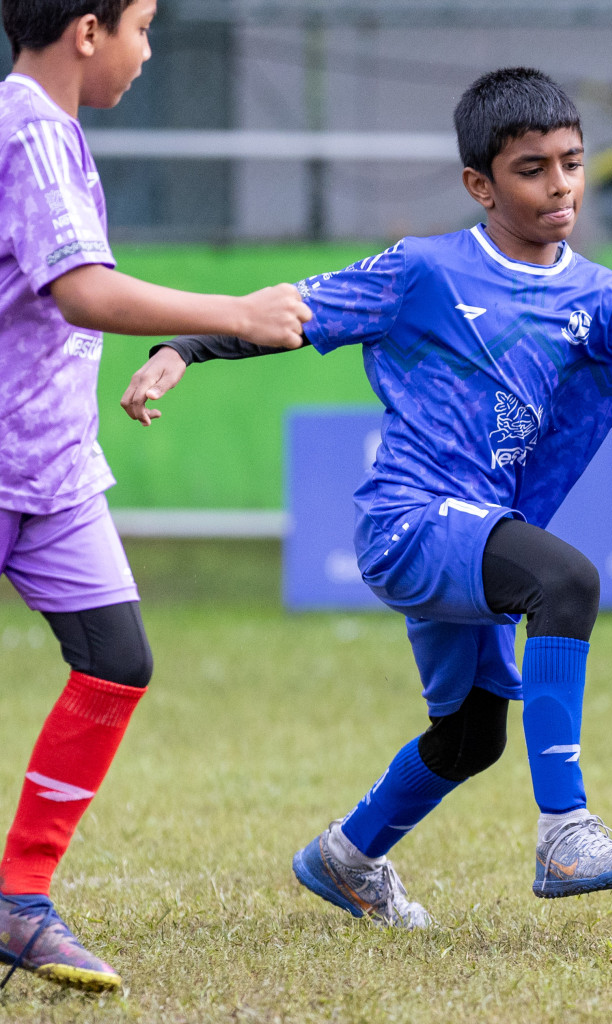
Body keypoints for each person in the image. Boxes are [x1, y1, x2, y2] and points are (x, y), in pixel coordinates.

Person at [122, 66, 612, 929]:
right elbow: (293, 312)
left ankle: (347, 858)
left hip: (483, 535)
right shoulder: (423, 271)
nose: (561, 185)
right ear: (481, 185)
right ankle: (565, 832)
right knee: (565, 582)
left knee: (471, 737)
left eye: (572, 163)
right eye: (532, 168)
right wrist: (185, 348)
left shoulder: (605, 301)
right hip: (411, 521)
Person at [0, 0, 310, 994]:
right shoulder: (29, 126)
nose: (147, 50)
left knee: (117, 661)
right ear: (87, 31)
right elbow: (83, 290)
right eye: (141, 26)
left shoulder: (58, 132)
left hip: (50, 473)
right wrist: (234, 312)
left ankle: (19, 899)